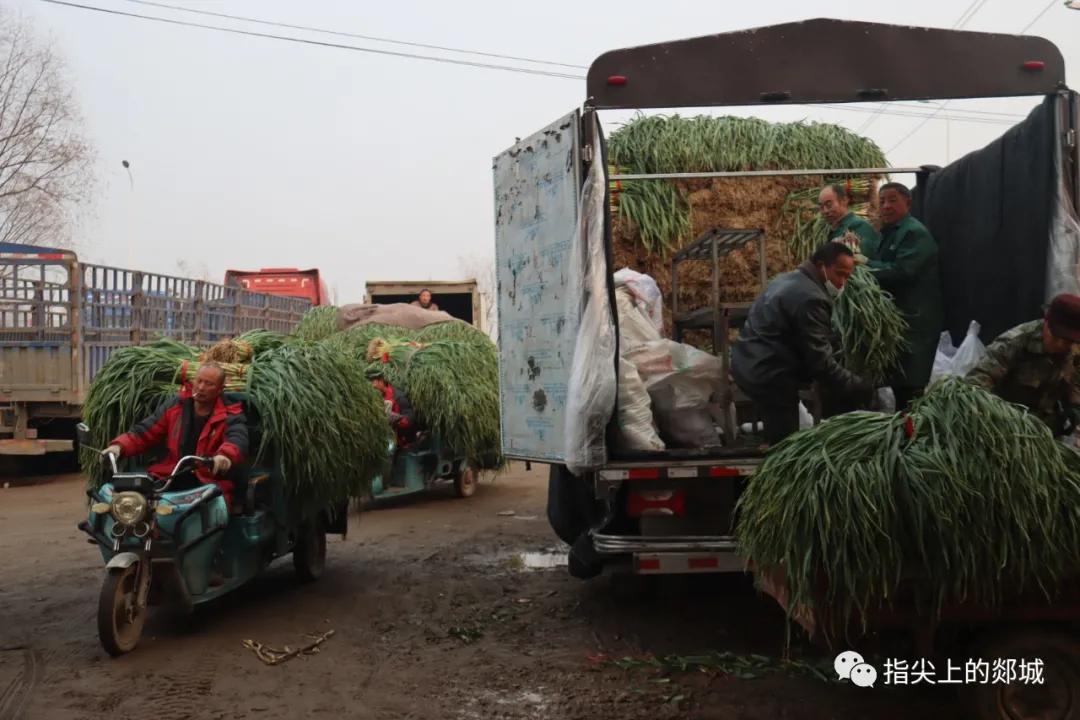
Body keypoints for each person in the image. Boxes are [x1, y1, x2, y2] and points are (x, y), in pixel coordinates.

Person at [732, 242, 873, 445]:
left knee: (779, 429)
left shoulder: (786, 279)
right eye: (839, 274)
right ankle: (778, 470)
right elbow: (820, 361)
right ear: (821, 265)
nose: (842, 283)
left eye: (847, 277)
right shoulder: (811, 298)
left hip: (749, 361)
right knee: (785, 442)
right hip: (769, 371)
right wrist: (857, 386)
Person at [104, 363, 248, 506]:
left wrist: (224, 456)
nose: (201, 387)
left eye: (209, 384)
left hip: (207, 480)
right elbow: (146, 431)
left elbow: (236, 438)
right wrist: (118, 446)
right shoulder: (176, 405)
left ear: (220, 390)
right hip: (171, 474)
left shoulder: (231, 413)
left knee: (211, 511)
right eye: (199, 381)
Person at [861, 182, 944, 410]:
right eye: (883, 201)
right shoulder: (890, 233)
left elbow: (902, 271)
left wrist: (864, 266)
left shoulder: (915, 233)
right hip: (900, 322)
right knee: (899, 385)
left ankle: (913, 438)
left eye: (892, 200)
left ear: (908, 203)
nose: (886, 206)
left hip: (915, 323)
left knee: (911, 388)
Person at [967, 293, 1080, 437]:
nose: (1060, 345)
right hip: (1005, 429)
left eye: (1068, 340)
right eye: (1055, 336)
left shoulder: (1075, 351)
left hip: (1045, 433)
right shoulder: (1015, 342)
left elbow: (1076, 388)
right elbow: (975, 385)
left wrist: (1074, 412)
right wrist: (992, 417)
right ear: (1046, 322)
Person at [818, 182, 880, 250]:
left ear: (844, 200)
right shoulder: (833, 230)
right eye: (821, 207)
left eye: (829, 205)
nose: (825, 211)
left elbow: (860, 259)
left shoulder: (859, 226)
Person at [367, 367, 418, 447]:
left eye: (373, 382)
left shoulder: (398, 397)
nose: (371, 386)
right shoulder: (373, 397)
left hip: (400, 441)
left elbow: (410, 417)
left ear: (381, 381)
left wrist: (396, 420)